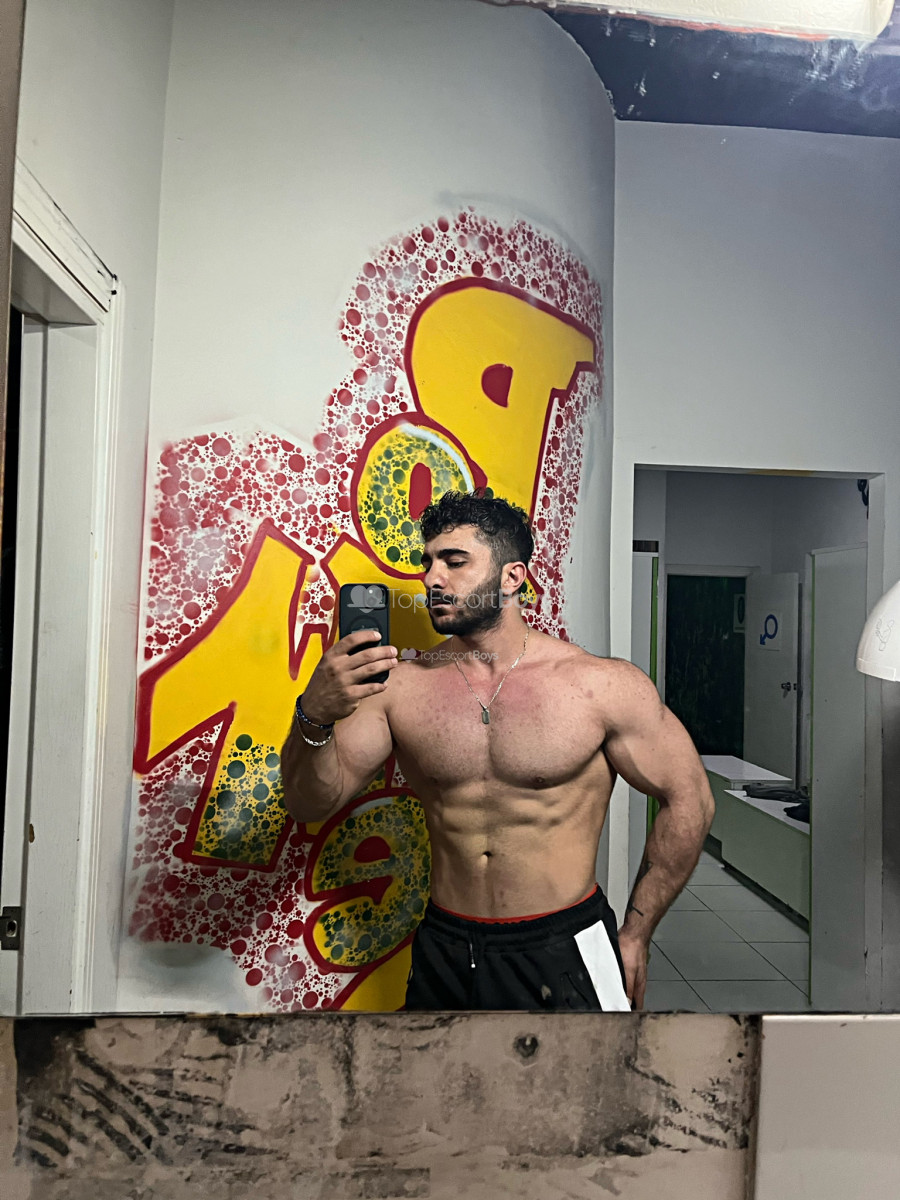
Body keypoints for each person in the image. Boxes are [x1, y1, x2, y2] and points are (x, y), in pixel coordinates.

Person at [281, 491, 714, 1011]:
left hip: (566, 940)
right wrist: (314, 715)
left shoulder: (600, 685)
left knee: (587, 1069)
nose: (431, 578)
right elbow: (311, 802)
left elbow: (691, 799)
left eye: (454, 561)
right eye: (428, 562)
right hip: (446, 944)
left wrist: (637, 932)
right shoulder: (398, 688)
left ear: (512, 578)